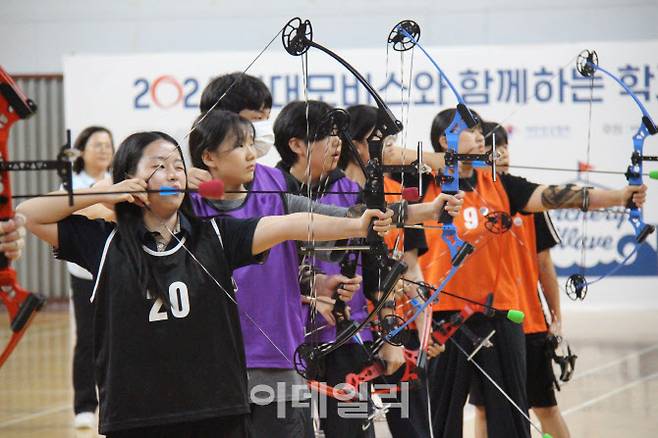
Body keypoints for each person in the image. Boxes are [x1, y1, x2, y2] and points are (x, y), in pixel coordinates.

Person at [16, 130, 399, 437]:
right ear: (132, 176)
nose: (174, 173)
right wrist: (106, 191)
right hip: (135, 414)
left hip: (215, 410)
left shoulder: (214, 234)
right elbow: (28, 214)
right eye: (159, 166)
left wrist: (355, 224)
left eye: (178, 166)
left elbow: (289, 224)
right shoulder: (102, 241)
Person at [419, 107, 647, 438]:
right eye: (471, 130)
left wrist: (618, 196)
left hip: (499, 315)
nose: (482, 135)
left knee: (510, 418)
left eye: (481, 130)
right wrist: (446, 160)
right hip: (443, 316)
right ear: (444, 140)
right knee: (440, 420)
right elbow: (388, 156)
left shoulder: (500, 184)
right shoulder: (421, 181)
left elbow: (556, 196)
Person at [468, 122, 571, 438]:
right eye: (489, 147)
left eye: (503, 145)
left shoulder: (528, 200)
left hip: (529, 324)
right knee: (485, 409)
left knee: (545, 407)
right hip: (484, 324)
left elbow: (544, 265)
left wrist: (556, 315)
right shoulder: (468, 201)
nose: (500, 153)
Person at [66, 126, 114, 429]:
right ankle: (84, 404)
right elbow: (85, 217)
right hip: (84, 274)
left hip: (115, 269)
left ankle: (113, 400)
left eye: (108, 145)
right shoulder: (72, 184)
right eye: (97, 145)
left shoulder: (117, 181)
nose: (104, 150)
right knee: (87, 338)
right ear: (81, 151)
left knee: (115, 337)